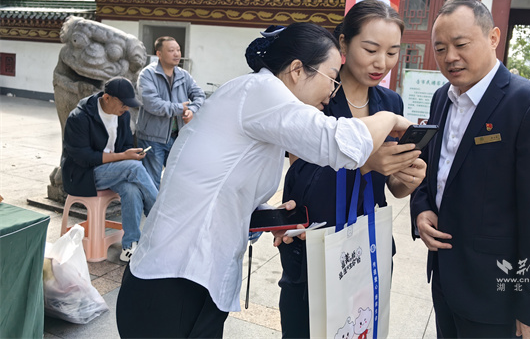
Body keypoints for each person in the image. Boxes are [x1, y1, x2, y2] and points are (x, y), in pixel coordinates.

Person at [116, 23, 414, 339]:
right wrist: (390, 118)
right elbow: (342, 143)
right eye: (331, 78)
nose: (332, 92)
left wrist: (269, 216)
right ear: (297, 70)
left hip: (191, 279)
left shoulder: (257, 104)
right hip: (174, 283)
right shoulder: (261, 91)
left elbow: (222, 188)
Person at [410, 0, 530, 338]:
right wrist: (422, 209)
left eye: (461, 44)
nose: (450, 57)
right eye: (440, 48)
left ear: (493, 37)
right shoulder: (442, 98)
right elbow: (432, 170)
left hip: (497, 296)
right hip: (446, 280)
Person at [277, 0, 427, 338]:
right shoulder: (318, 94)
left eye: (392, 52)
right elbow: (301, 177)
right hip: (314, 241)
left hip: (369, 244)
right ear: (343, 43)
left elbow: (391, 186)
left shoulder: (389, 103)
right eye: (371, 49)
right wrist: (364, 162)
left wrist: (407, 178)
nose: (381, 63)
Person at [61, 77, 159, 262]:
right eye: (123, 104)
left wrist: (130, 154)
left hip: (113, 171)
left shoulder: (123, 116)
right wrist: (123, 157)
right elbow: (84, 158)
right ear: (107, 98)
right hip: (83, 175)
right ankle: (160, 214)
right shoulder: (79, 117)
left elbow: (126, 145)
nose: (126, 108)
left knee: (131, 189)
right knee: (133, 167)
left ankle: (129, 246)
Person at [136, 36, 206, 189]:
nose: (176, 54)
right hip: (152, 138)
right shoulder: (147, 74)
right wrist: (180, 108)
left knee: (178, 180)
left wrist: (192, 110)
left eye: (178, 50)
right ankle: (152, 206)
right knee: (152, 184)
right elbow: (151, 103)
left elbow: (200, 95)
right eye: (171, 50)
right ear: (159, 54)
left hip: (177, 137)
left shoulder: (183, 75)